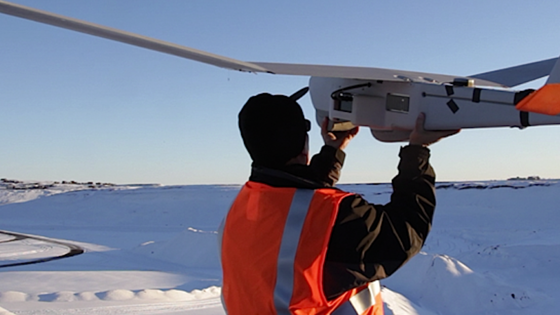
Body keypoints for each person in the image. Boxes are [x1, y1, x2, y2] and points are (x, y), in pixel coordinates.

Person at [219, 92, 459, 315]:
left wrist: (333, 151)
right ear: (303, 143)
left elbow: (300, 204)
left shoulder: (244, 206)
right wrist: (417, 151)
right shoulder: (338, 215)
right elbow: (405, 234)